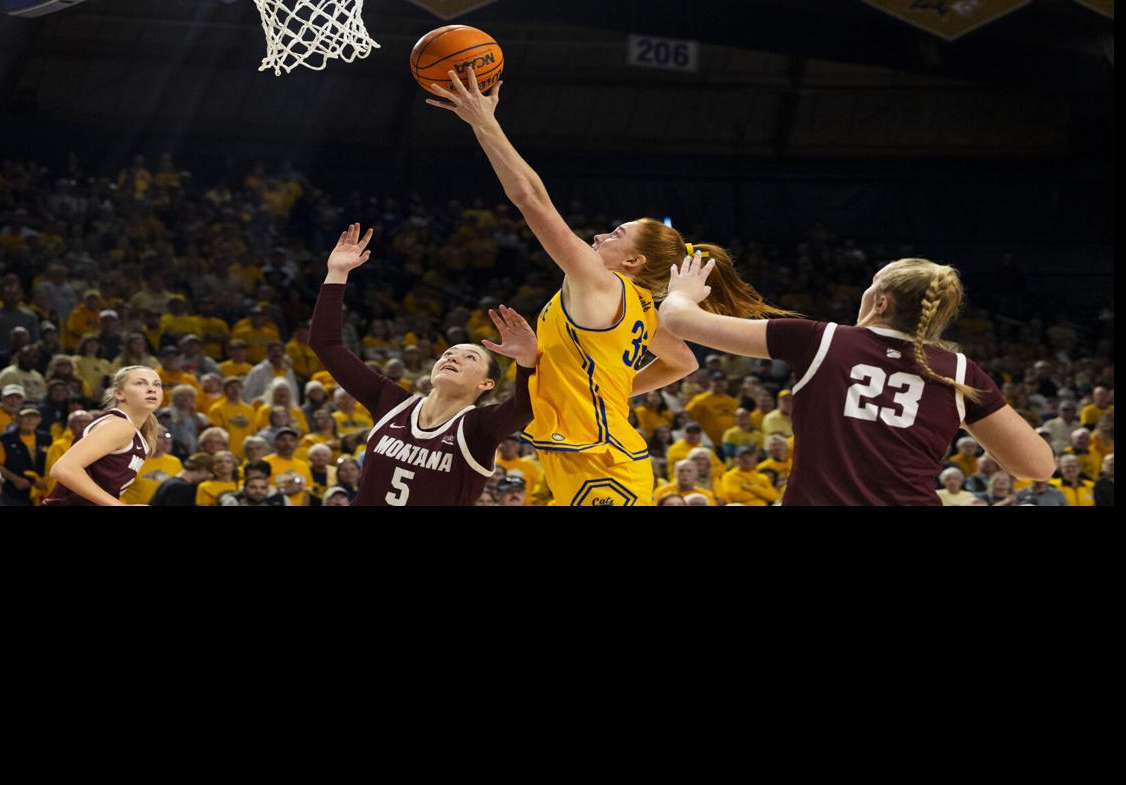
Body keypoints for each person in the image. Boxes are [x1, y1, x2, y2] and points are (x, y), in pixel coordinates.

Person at [435, 68, 812, 506]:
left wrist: (485, 122)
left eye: (615, 234)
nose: (598, 237)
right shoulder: (640, 308)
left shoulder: (599, 283)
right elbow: (683, 363)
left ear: (633, 261)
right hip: (589, 455)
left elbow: (531, 199)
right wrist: (612, 389)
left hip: (600, 462)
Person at [656, 255, 1054, 505]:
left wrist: (683, 292)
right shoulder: (960, 371)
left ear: (880, 302)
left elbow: (679, 320)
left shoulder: (822, 339)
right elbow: (1038, 466)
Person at [308, 223, 540, 505]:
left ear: (487, 383)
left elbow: (525, 406)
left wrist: (527, 361)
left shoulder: (478, 428)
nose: (452, 357)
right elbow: (327, 344)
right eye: (448, 353)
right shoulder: (393, 403)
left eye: (470, 357)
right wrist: (337, 273)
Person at [43, 365, 163, 506]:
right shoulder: (119, 425)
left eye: (157, 384)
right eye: (140, 383)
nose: (151, 389)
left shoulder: (131, 429)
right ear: (119, 394)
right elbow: (63, 469)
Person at [0, 405, 50, 505]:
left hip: (42, 491)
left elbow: (54, 460)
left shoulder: (47, 438)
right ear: (17, 419)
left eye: (34, 417)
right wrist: (16, 480)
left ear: (39, 420)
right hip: (13, 492)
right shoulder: (3, 439)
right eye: (25, 417)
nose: (30, 420)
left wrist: (47, 478)